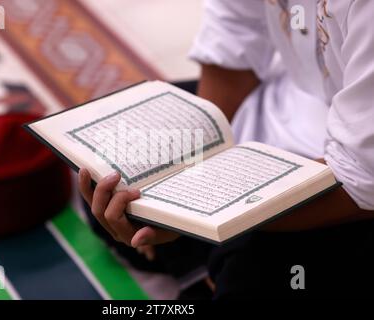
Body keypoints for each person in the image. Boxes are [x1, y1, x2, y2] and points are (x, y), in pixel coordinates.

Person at [79, 0, 374, 298]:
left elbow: (360, 177)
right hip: (287, 111)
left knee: (247, 276)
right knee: (111, 163)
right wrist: (190, 162)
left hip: (346, 194)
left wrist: (198, 218)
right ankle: (208, 262)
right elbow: (235, 33)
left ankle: (209, 261)